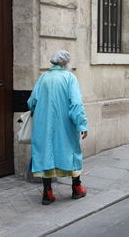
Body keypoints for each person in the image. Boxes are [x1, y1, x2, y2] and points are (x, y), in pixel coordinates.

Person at [27, 50, 88, 205]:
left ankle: (47, 193)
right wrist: (82, 124)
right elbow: (76, 103)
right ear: (66, 63)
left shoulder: (43, 78)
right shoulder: (70, 78)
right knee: (72, 151)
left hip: (44, 124)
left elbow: (32, 101)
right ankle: (77, 188)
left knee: (45, 153)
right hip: (65, 124)